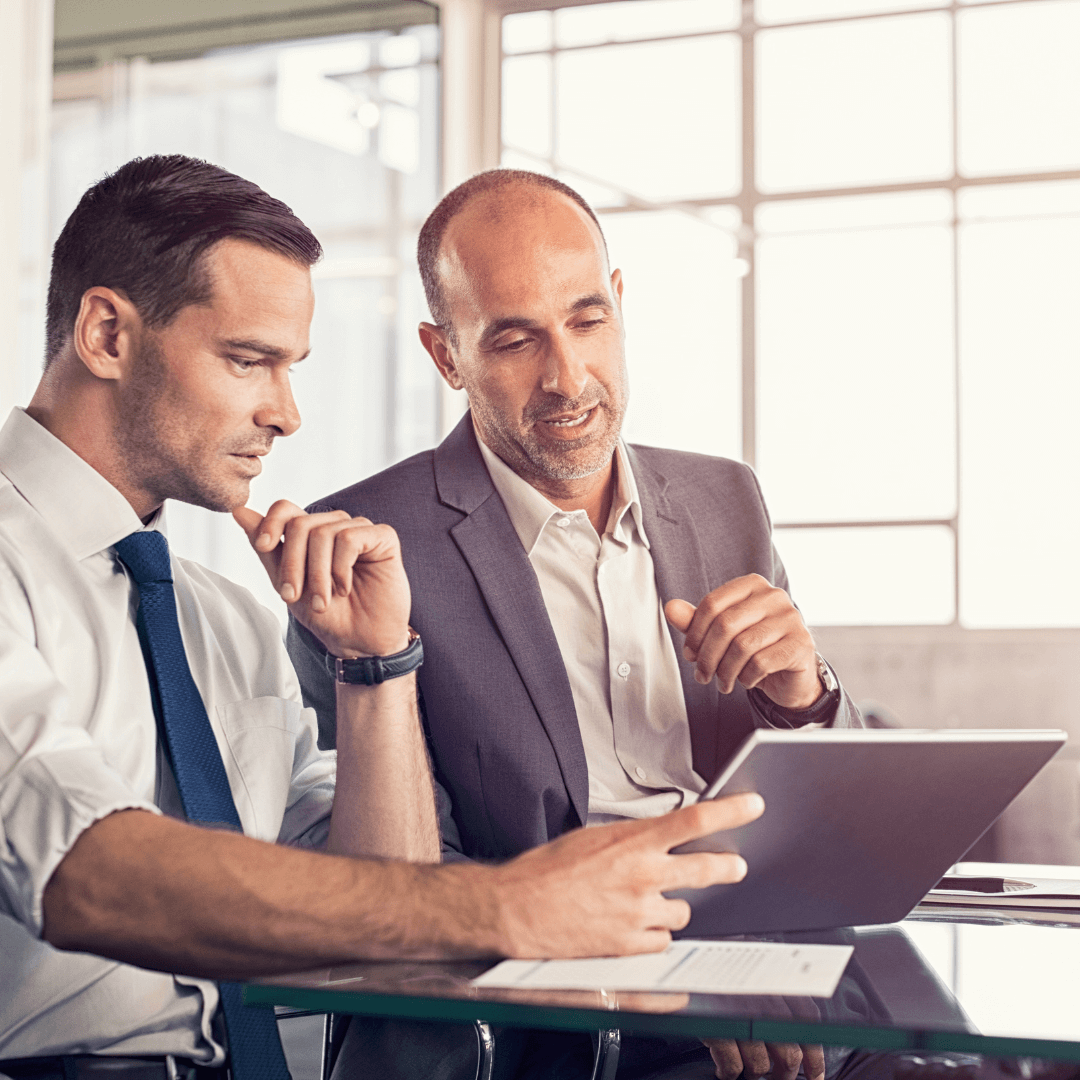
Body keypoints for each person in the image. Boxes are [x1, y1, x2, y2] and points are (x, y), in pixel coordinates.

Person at [0, 155, 765, 1078]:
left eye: (292, 368)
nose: (285, 414)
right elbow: (88, 870)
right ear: (108, 334)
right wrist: (509, 908)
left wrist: (376, 668)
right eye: (249, 360)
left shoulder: (225, 621)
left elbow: (379, 922)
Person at [288, 169, 865, 1080]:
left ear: (620, 304)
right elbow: (393, 894)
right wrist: (655, 973)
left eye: (587, 321)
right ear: (448, 358)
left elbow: (830, 817)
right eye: (515, 341)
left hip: (754, 965)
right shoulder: (367, 550)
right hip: (543, 1024)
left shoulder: (724, 499)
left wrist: (806, 694)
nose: (567, 377)